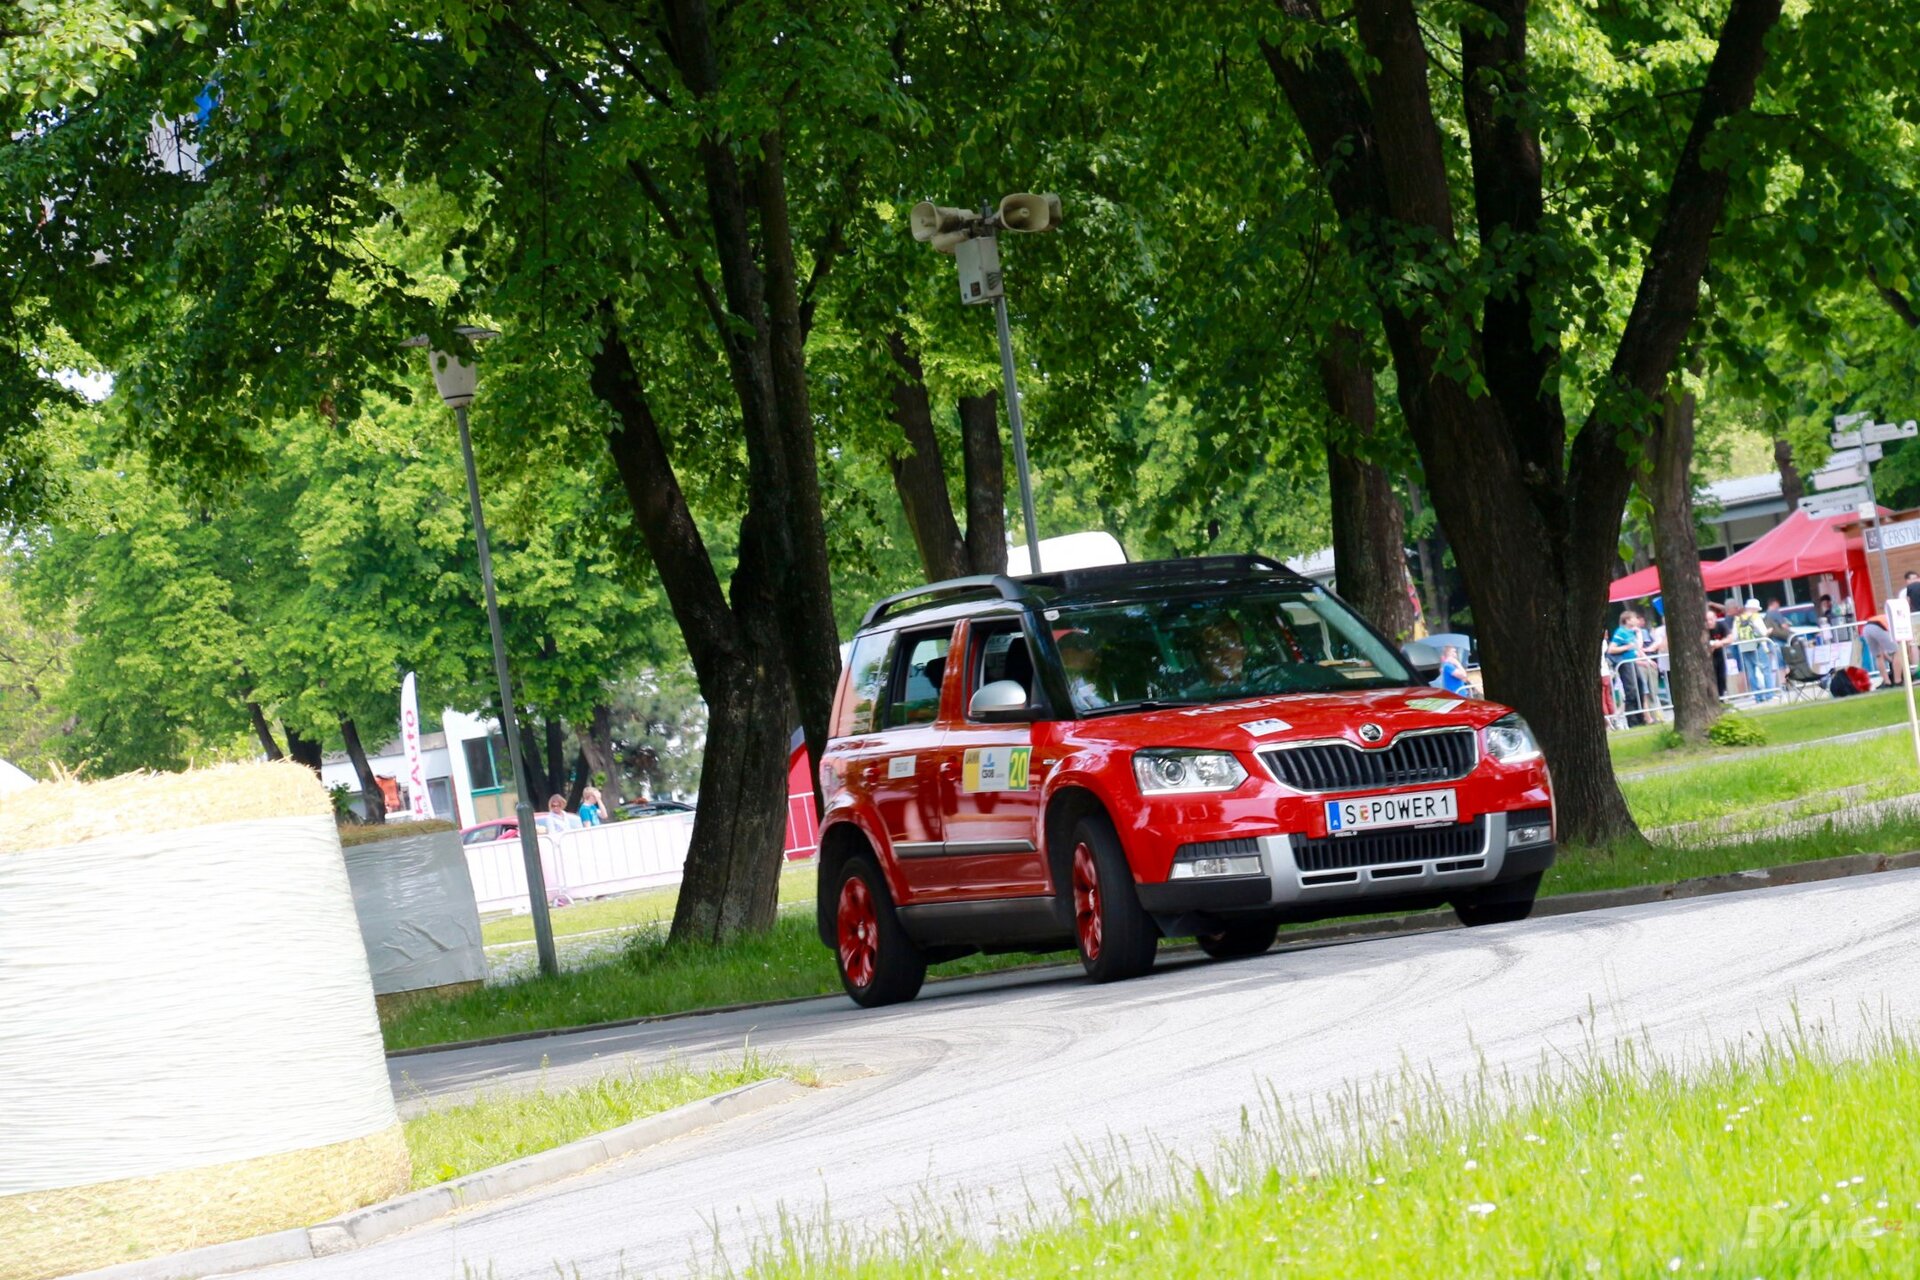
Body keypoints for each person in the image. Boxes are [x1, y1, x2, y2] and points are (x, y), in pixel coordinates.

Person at [1607, 611, 1651, 727]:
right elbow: (1611, 649)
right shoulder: (1621, 632)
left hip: (1633, 663)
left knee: (1640, 689)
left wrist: (1639, 634)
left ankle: (1641, 718)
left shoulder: (1631, 633)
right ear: (1627, 620)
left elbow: (1638, 647)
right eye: (1634, 618)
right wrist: (1626, 647)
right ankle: (1633, 721)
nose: (1636, 620)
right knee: (1631, 690)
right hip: (1626, 664)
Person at [1732, 599, 1774, 703]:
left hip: (1745, 647)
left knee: (1751, 672)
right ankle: (1770, 694)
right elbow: (1763, 632)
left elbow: (1735, 636)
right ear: (1754, 608)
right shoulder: (1755, 617)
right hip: (1758, 646)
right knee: (1765, 670)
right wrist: (1769, 631)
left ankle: (1758, 697)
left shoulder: (1738, 619)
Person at [1056, 629, 1108, 709]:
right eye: (1088, 652)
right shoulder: (1054, 687)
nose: (1097, 658)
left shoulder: (1085, 681)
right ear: (1068, 653)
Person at [1191, 617, 1248, 687]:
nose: (1225, 654)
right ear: (1203, 655)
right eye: (1215, 647)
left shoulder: (1262, 684)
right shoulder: (1193, 695)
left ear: (1244, 651)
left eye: (1232, 645)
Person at [1862, 615, 1900, 687]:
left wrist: (1891, 660)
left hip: (1867, 627)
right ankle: (1898, 681)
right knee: (1896, 652)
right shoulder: (1897, 619)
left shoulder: (1887, 616)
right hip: (1879, 626)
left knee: (1878, 656)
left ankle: (1887, 682)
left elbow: (1883, 651)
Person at [1705, 602, 1732, 698]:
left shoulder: (1721, 625)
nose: (1709, 622)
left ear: (1715, 618)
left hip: (1719, 656)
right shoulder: (1702, 629)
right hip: (1706, 659)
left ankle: (1722, 697)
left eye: (1711, 619)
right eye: (1707, 620)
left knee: (1721, 677)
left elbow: (1730, 638)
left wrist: (1720, 643)